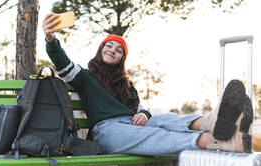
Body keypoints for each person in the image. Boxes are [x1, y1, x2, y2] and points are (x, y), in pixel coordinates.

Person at [42, 13, 253, 155]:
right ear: (101, 50)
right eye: (109, 46)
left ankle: (213, 123)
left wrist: (144, 115)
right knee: (155, 135)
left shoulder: (125, 84)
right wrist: (51, 40)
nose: (112, 50)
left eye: (118, 50)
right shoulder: (85, 77)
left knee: (167, 120)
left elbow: (140, 108)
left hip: (132, 123)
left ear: (121, 58)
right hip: (108, 132)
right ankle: (216, 141)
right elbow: (62, 62)